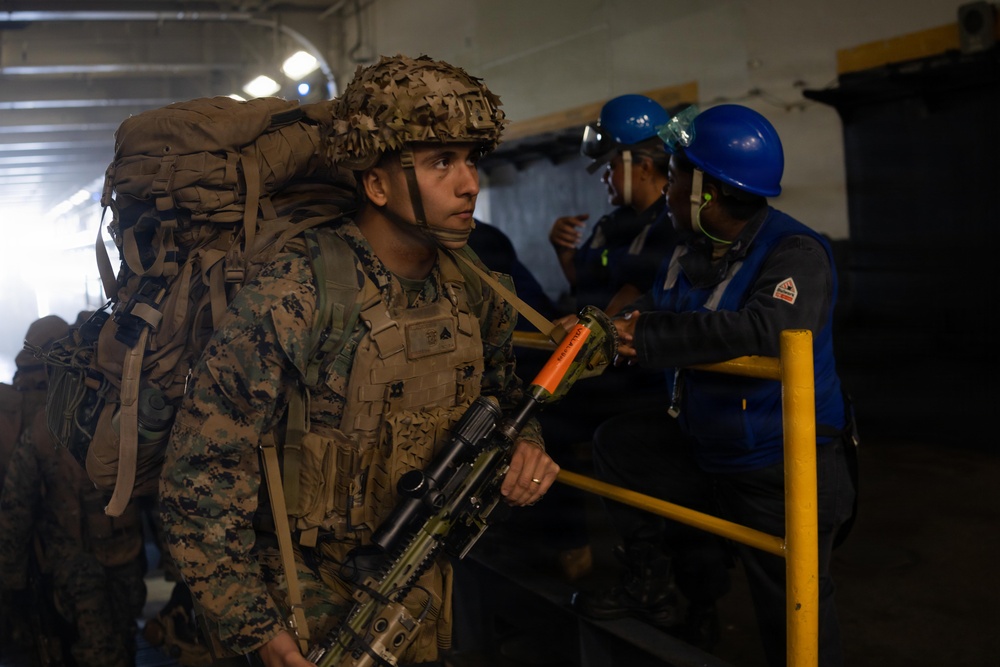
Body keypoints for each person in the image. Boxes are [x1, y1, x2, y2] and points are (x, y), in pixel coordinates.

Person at [158, 53, 558, 667]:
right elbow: (198, 479)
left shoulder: (477, 287)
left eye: (472, 159)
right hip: (306, 600)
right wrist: (258, 630)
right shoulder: (298, 297)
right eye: (439, 162)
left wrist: (525, 442)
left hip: (427, 581)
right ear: (376, 184)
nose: (469, 183)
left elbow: (503, 397)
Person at [571, 104, 856, 667]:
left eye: (675, 174)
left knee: (795, 615)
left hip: (780, 462)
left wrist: (647, 338)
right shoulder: (689, 249)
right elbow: (657, 305)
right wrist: (609, 326)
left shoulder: (795, 252)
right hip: (710, 443)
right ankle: (652, 588)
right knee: (622, 445)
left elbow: (766, 329)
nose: (666, 185)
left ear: (706, 190)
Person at [0, 315, 148, 667]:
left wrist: (11, 583)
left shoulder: (35, 422)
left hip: (74, 565)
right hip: (117, 555)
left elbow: (15, 510)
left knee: (97, 648)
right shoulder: (113, 396)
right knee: (113, 647)